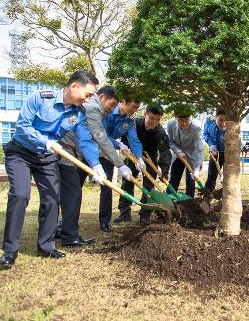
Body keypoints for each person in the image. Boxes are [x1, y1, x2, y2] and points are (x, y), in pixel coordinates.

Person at [0, 69, 103, 268]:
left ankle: (46, 246)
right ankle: (10, 250)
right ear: (74, 86)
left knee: (52, 198)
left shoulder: (78, 113)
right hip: (20, 153)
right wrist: (45, 141)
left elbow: (85, 140)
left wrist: (96, 165)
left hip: (47, 158)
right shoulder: (39, 98)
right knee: (20, 195)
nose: (88, 99)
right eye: (87, 94)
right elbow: (22, 126)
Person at [57, 85, 134, 246]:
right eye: (112, 104)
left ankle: (66, 230)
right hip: (67, 151)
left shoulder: (93, 109)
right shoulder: (93, 108)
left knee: (71, 193)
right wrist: (119, 164)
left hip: (80, 150)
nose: (112, 108)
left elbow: (90, 139)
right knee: (71, 193)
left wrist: (100, 162)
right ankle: (67, 232)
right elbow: (100, 137)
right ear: (102, 97)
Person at [114, 103, 172, 225]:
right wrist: (128, 150)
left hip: (150, 159)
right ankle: (124, 213)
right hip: (133, 156)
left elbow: (165, 152)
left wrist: (164, 172)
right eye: (151, 118)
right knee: (127, 182)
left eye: (157, 120)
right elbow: (124, 137)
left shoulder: (160, 132)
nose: (154, 122)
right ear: (145, 114)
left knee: (149, 187)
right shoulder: (134, 124)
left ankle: (145, 215)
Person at [97, 99, 144, 232]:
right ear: (123, 101)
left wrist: (139, 158)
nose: (134, 110)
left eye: (137, 108)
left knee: (107, 186)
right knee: (76, 186)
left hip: (107, 154)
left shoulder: (130, 121)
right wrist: (118, 144)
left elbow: (134, 140)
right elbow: (101, 134)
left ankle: (105, 222)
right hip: (90, 149)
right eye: (133, 106)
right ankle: (64, 222)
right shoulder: (108, 112)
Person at [166, 105, 204, 198]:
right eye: (180, 120)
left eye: (186, 120)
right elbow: (170, 142)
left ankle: (189, 202)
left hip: (192, 155)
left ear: (190, 118)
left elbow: (199, 149)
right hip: (178, 155)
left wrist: (197, 167)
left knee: (191, 181)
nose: (184, 123)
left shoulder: (196, 129)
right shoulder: (170, 125)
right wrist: (177, 151)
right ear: (175, 118)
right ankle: (168, 200)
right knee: (174, 179)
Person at [203, 109, 226, 193]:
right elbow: (206, 134)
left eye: (225, 121)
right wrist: (211, 144)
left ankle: (226, 197)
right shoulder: (209, 121)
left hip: (227, 153)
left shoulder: (230, 127)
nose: (223, 123)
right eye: (220, 120)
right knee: (211, 176)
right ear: (216, 117)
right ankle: (207, 197)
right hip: (214, 153)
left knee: (227, 176)